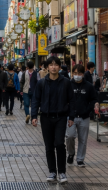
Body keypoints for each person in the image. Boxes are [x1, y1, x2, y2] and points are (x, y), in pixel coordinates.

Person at [31, 56, 72, 184]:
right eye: (51, 65)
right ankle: (52, 172)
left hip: (61, 117)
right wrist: (33, 116)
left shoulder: (66, 82)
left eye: (56, 65)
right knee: (49, 146)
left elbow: (72, 100)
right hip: (46, 117)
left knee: (59, 143)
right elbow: (36, 100)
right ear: (47, 67)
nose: (53, 67)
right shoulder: (42, 83)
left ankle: (62, 172)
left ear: (60, 67)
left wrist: (71, 117)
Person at [66, 64, 99, 168]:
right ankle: (71, 153)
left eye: (79, 73)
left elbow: (94, 99)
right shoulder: (68, 85)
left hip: (84, 117)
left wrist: (88, 109)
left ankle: (80, 159)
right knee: (70, 136)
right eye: (75, 73)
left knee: (83, 139)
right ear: (72, 73)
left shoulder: (88, 86)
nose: (77, 75)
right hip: (71, 116)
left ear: (83, 74)